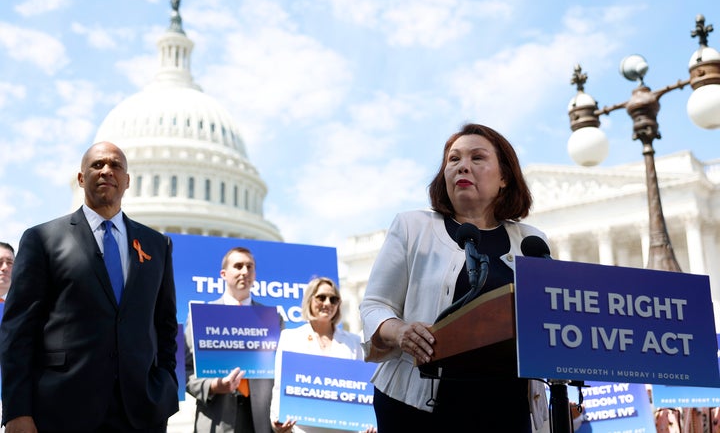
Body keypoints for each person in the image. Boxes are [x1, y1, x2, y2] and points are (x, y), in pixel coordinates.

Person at [359, 123, 550, 432]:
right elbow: (374, 306)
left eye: (477, 158)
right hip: (416, 407)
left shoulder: (531, 241)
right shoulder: (412, 227)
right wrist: (401, 331)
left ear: (504, 177)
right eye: (453, 159)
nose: (463, 166)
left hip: (505, 406)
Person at [0, 141, 179, 432]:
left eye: (116, 166)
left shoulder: (157, 245)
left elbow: (165, 325)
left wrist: (165, 384)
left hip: (141, 413)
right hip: (62, 410)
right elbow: (18, 332)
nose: (107, 170)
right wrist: (17, 411)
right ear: (81, 178)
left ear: (127, 180)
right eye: (97, 165)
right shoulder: (42, 239)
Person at [185, 246, 275, 433]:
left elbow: (281, 372)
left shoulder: (272, 319)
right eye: (238, 266)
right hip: (217, 420)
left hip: (261, 423)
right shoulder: (201, 317)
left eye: (250, 267)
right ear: (223, 274)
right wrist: (213, 386)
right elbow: (185, 371)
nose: (245, 271)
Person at [271, 277, 373, 433]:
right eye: (321, 297)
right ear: (309, 300)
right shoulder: (290, 338)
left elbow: (361, 388)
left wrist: (367, 423)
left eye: (333, 299)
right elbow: (280, 384)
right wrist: (276, 419)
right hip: (302, 429)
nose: (327, 303)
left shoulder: (354, 342)